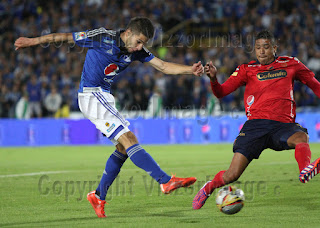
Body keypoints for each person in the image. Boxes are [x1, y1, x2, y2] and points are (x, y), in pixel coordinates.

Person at [15, 17, 203, 218]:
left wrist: (189, 70)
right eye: (138, 41)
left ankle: (98, 196)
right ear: (128, 33)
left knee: (123, 147)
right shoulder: (101, 36)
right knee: (129, 138)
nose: (140, 46)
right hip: (91, 94)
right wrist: (32, 41)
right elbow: (63, 37)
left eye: (144, 44)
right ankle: (165, 180)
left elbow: (163, 66)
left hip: (104, 97)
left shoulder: (137, 51)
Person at [192, 30, 320, 210]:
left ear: (274, 48)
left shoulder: (291, 64)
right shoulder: (247, 69)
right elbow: (221, 92)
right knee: (232, 175)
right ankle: (209, 187)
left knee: (301, 138)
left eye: (266, 47)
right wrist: (213, 78)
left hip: (283, 126)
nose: (261, 51)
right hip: (255, 126)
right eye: (258, 48)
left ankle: (305, 170)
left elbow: (315, 85)